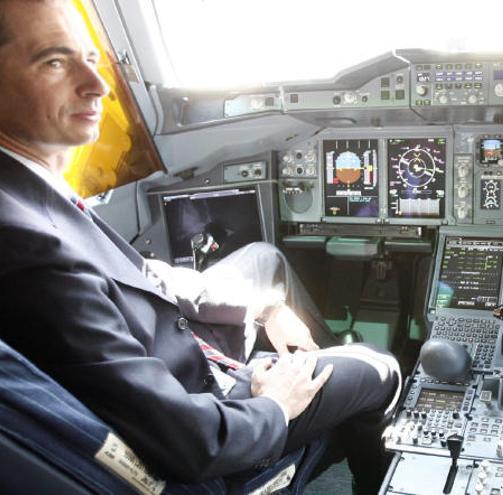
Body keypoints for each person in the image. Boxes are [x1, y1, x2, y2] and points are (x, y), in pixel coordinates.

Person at [0, 0, 399, 492]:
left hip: (193, 362)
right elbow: (192, 441)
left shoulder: (27, 193)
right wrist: (275, 402)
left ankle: (319, 363)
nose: (98, 85)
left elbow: (140, 275)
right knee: (382, 366)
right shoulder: (23, 246)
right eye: (54, 62)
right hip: (219, 420)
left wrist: (262, 306)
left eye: (91, 58)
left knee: (264, 260)